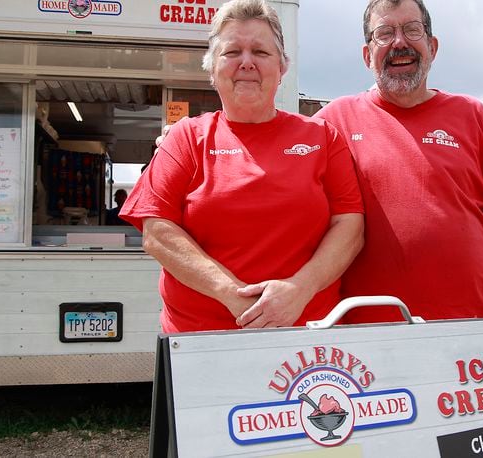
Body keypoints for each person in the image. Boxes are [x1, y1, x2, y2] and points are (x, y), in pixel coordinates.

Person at [120, 0, 364, 333]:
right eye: (232, 52)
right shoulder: (186, 138)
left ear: (282, 67)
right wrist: (234, 295)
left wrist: (299, 289)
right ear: (212, 69)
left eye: (261, 52)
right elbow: (156, 232)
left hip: (306, 338)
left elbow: (350, 226)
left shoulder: (323, 138)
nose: (246, 63)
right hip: (202, 342)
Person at [311, 0, 483, 323]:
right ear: (367, 56)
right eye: (384, 33)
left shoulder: (473, 116)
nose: (399, 42)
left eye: (412, 30)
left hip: (472, 331)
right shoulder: (332, 123)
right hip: (366, 342)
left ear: (432, 47)